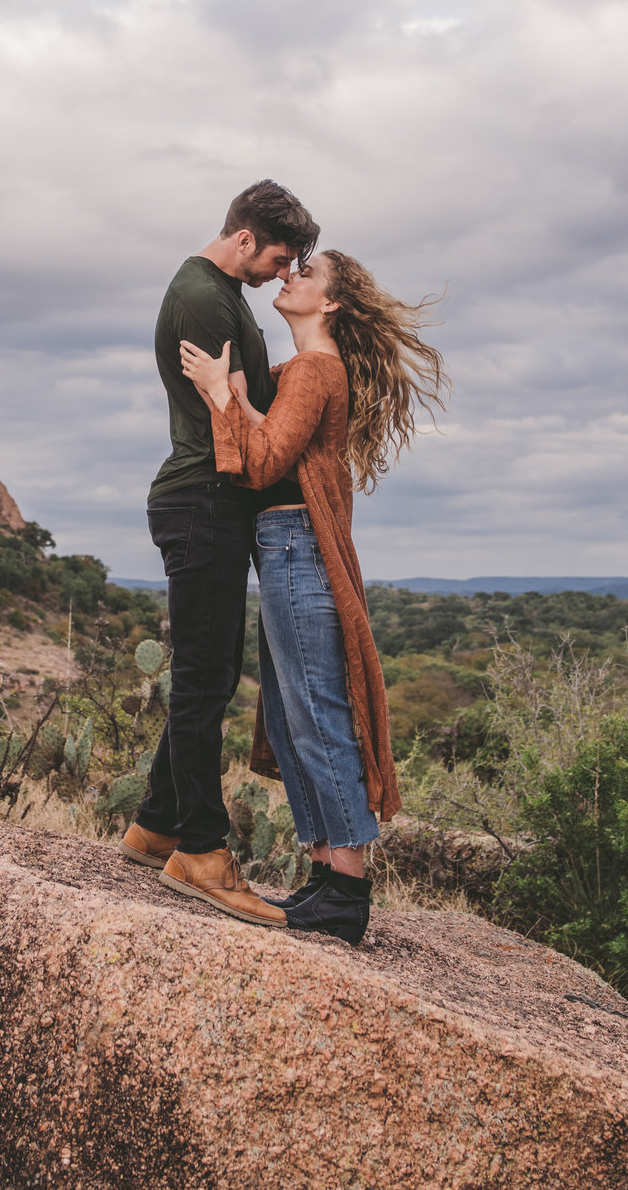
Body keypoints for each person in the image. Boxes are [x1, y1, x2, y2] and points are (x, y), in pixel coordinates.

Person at [177, 249, 446, 945]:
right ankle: (328, 876)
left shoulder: (316, 369)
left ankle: (346, 889)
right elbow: (268, 435)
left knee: (318, 716)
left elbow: (263, 460)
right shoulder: (300, 370)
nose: (289, 277)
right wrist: (236, 389)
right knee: (299, 716)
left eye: (307, 274)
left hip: (296, 545)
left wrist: (218, 391)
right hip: (286, 547)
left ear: (329, 303)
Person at [120, 179, 320, 928]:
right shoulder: (203, 296)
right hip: (201, 497)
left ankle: (157, 823)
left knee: (209, 675)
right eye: (276, 258)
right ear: (244, 239)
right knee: (204, 682)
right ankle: (201, 852)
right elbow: (235, 413)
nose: (280, 273)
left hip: (213, 498)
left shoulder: (226, 292)